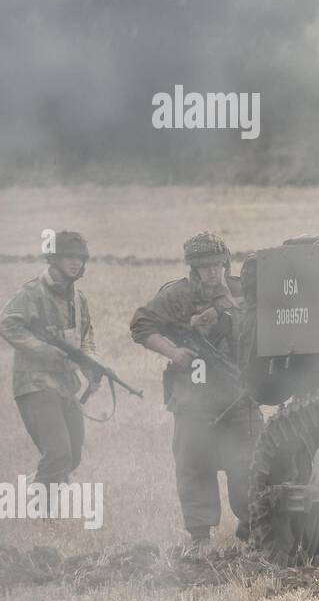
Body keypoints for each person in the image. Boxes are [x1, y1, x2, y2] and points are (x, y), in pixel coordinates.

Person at [129, 232, 261, 547]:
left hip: (239, 393)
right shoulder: (178, 296)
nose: (212, 271)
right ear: (193, 269)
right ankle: (201, 535)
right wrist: (174, 352)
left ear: (226, 264)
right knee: (195, 462)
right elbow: (141, 326)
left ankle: (253, 526)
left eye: (217, 264)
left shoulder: (243, 292)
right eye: (204, 266)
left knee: (251, 462)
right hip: (194, 396)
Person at [0, 231, 97, 487]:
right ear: (54, 259)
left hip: (65, 384)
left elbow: (86, 336)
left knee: (72, 457)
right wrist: (42, 349)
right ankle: (42, 513)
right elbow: (8, 324)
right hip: (35, 384)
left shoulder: (78, 299)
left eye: (79, 258)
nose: (75, 263)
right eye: (68, 257)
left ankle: (32, 487)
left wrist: (91, 368)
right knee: (58, 453)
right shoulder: (33, 292)